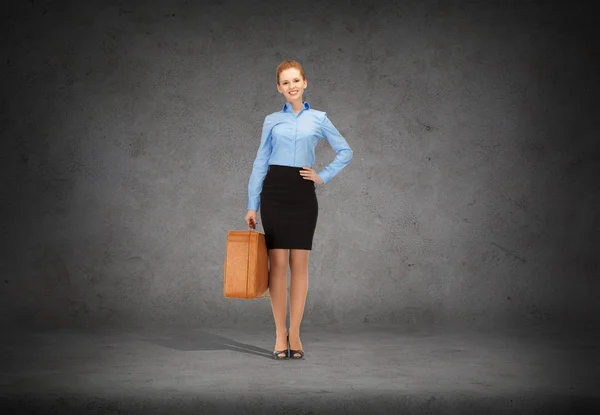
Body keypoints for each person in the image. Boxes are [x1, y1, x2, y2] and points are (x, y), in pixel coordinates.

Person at [244, 60, 353, 360]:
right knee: (277, 265)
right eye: (285, 82)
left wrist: (323, 175)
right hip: (275, 192)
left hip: (303, 193)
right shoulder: (270, 121)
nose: (291, 86)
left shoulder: (319, 119)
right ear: (279, 88)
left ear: (305, 82)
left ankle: (296, 333)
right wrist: (252, 204)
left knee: (299, 266)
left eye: (296, 80)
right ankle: (280, 334)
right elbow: (259, 162)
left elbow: (346, 151)